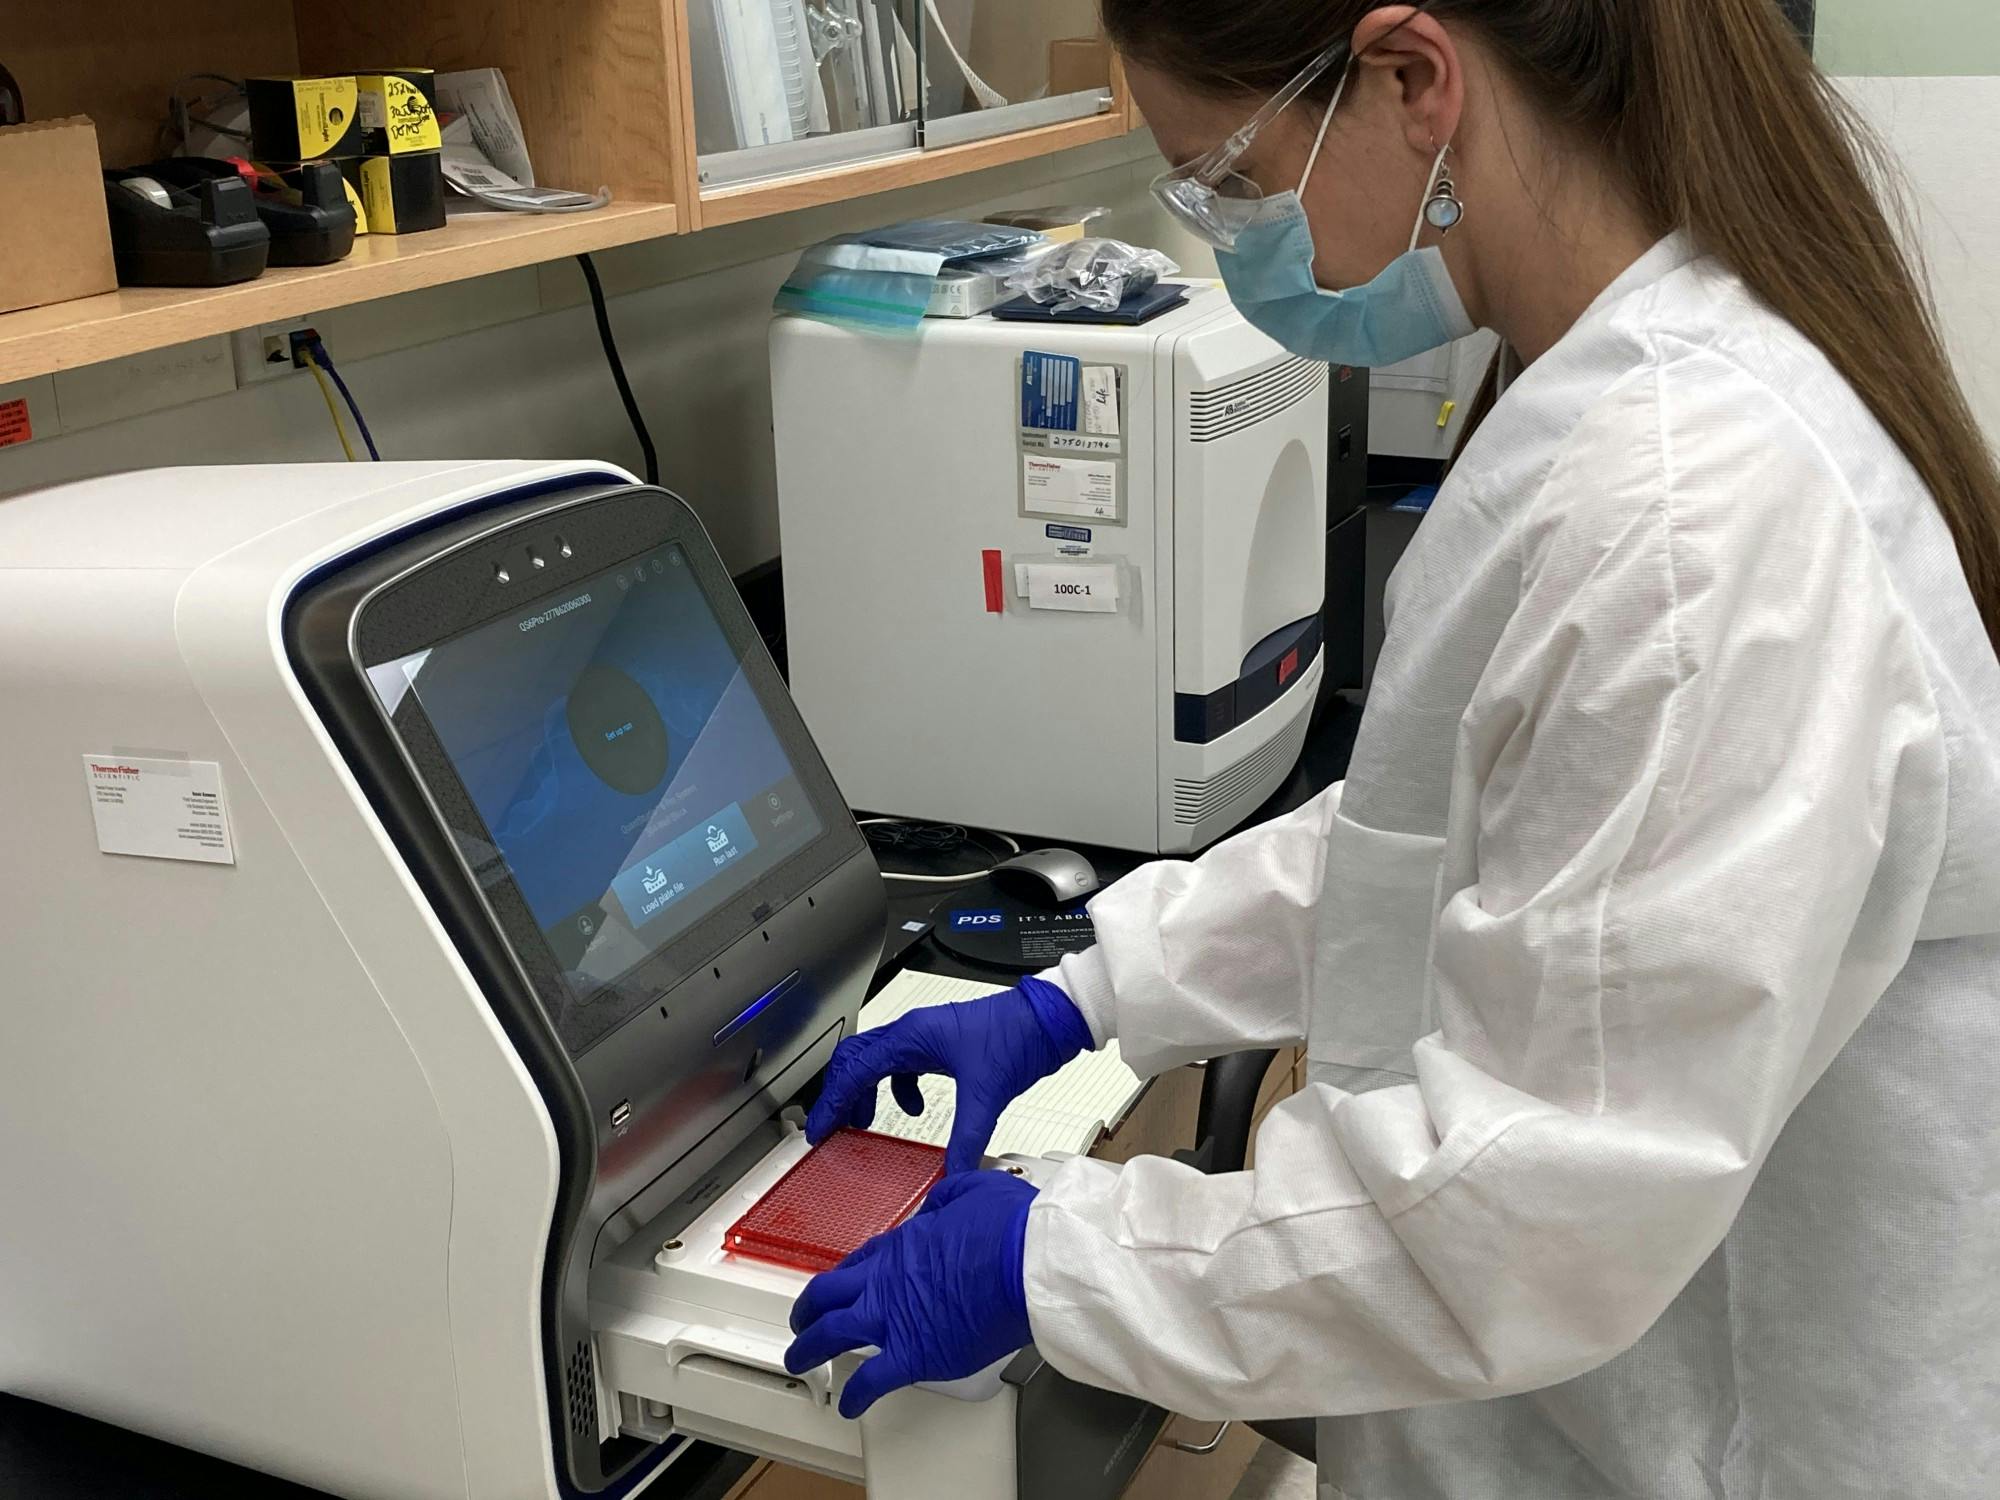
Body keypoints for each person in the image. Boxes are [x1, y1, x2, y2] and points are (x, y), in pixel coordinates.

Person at [785, 1, 2000, 1493]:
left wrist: (1068, 1255)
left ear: (1413, 81)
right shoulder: (1629, 403)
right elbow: (1440, 845)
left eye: (1224, 177)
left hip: (1729, 1425)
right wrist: (1091, 988)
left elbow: (1532, 1214)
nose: (1231, 236)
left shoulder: (1694, 519)